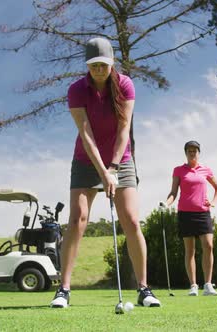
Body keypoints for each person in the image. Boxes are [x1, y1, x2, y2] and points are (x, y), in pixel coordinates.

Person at [50, 37, 161, 308]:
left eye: (104, 64)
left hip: (121, 160)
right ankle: (63, 289)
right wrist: (102, 171)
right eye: (94, 65)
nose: (99, 69)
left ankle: (144, 288)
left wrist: (112, 169)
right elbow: (86, 135)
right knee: (77, 220)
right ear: (87, 65)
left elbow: (124, 130)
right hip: (86, 160)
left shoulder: (125, 85)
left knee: (132, 221)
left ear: (112, 63)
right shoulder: (77, 89)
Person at [164, 140, 217, 296]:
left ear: (198, 152)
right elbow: (173, 192)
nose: (192, 152)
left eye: (195, 150)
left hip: (203, 213)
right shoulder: (178, 170)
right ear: (186, 152)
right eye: (189, 150)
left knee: (208, 246)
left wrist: (213, 203)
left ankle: (208, 285)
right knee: (190, 250)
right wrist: (167, 204)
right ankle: (193, 286)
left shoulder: (206, 170)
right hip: (185, 213)